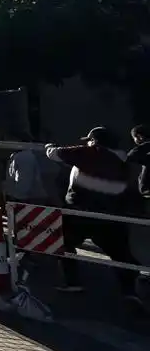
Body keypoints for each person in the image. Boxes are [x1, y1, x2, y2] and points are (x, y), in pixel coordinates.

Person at [45, 127, 139, 299]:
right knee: (121, 254)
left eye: (88, 140)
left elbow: (54, 153)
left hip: (80, 212)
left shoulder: (90, 153)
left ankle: (72, 282)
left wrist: (49, 146)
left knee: (64, 244)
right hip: (111, 215)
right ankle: (130, 291)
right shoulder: (124, 161)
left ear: (94, 141)